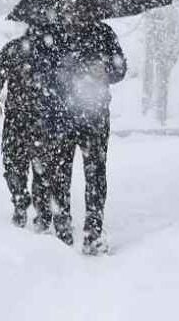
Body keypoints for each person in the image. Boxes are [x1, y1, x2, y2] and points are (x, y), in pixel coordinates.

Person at [36, 21, 125, 255]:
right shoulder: (51, 34)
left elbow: (120, 69)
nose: (75, 12)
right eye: (69, 7)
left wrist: (105, 71)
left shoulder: (104, 33)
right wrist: (65, 72)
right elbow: (39, 71)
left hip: (95, 117)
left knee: (95, 175)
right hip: (60, 118)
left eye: (82, 9)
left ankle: (93, 233)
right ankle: (62, 232)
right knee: (59, 176)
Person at [0, 32, 51, 232]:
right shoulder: (47, 48)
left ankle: (31, 206)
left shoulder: (19, 48)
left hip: (33, 117)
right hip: (32, 117)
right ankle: (29, 206)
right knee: (28, 166)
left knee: (22, 165)